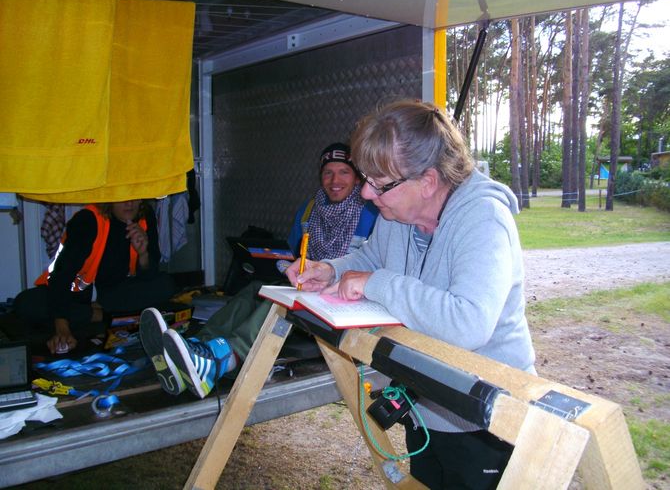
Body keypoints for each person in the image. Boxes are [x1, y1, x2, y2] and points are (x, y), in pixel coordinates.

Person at [286, 100, 536, 490]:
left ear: (428, 181)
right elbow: (372, 255)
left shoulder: (484, 218)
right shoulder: (397, 213)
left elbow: (469, 322)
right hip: (425, 400)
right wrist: (330, 269)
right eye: (366, 179)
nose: (367, 193)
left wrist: (377, 282)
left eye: (378, 183)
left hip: (483, 417)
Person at [140, 142, 379, 399]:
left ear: (356, 177)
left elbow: (372, 266)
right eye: (327, 172)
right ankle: (196, 349)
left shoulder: (371, 211)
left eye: (343, 172)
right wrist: (281, 264)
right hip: (308, 288)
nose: (335, 180)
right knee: (257, 289)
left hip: (344, 304)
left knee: (283, 299)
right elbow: (289, 253)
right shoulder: (310, 209)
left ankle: (226, 358)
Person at [14, 200, 175, 355]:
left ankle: (97, 314)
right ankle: (99, 315)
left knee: (165, 285)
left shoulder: (146, 216)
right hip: (76, 295)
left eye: (134, 198)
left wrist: (143, 254)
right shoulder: (87, 220)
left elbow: (150, 274)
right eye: (122, 198)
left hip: (113, 294)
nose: (129, 203)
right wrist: (62, 328)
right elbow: (61, 277)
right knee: (26, 303)